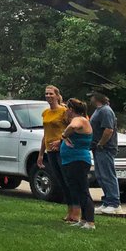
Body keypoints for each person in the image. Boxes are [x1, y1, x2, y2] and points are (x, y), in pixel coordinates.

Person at [37, 85, 75, 223]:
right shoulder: (45, 113)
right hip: (50, 151)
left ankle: (76, 211)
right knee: (60, 181)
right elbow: (45, 134)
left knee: (67, 179)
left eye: (51, 94)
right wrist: (41, 154)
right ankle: (69, 211)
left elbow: (72, 130)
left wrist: (60, 141)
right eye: (46, 94)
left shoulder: (64, 112)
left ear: (57, 96)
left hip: (62, 150)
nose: (48, 96)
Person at [60, 97, 96, 229]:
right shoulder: (80, 119)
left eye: (66, 109)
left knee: (83, 190)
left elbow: (73, 126)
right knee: (75, 190)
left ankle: (90, 222)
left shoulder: (79, 119)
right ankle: (83, 219)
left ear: (71, 109)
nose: (66, 112)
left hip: (78, 161)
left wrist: (64, 135)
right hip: (71, 160)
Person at [90, 92, 120, 214]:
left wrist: (101, 143)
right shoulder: (99, 110)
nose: (90, 99)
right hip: (98, 148)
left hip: (105, 148)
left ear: (97, 98)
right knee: (101, 176)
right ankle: (107, 201)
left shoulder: (106, 111)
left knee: (107, 175)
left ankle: (114, 203)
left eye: (91, 96)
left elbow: (108, 129)